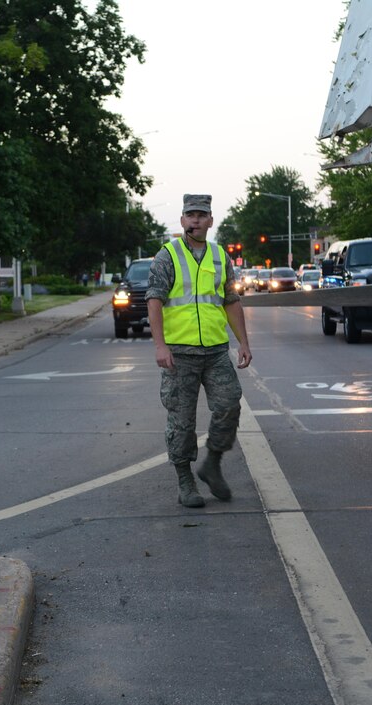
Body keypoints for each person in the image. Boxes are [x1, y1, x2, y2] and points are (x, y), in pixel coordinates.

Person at [146, 194, 252, 508]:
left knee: (230, 404)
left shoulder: (221, 257)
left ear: (210, 221)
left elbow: (231, 301)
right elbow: (154, 300)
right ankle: (185, 480)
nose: (195, 220)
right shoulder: (167, 255)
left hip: (216, 350)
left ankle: (212, 463)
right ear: (182, 221)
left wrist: (243, 342)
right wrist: (160, 345)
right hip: (179, 353)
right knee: (182, 421)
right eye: (190, 215)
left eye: (201, 215)